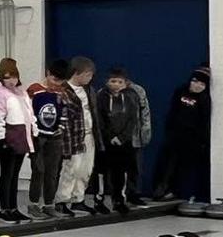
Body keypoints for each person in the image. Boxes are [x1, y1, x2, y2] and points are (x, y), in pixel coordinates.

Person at [93, 68, 146, 216]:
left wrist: (122, 137)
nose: (116, 84)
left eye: (119, 82)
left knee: (121, 172)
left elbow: (133, 119)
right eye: (113, 81)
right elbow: (100, 119)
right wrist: (109, 136)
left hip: (124, 142)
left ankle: (119, 200)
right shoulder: (101, 96)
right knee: (101, 172)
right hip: (105, 142)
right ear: (106, 82)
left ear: (126, 83)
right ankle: (99, 200)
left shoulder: (131, 96)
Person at [153, 67, 213, 200]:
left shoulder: (204, 100)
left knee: (183, 167)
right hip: (174, 135)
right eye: (195, 81)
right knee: (167, 164)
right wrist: (169, 129)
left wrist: (202, 140)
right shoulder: (180, 91)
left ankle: (175, 191)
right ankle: (161, 188)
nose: (197, 86)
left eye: (201, 84)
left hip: (191, 139)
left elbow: (204, 121)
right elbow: (173, 111)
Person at [0, 59, 36, 224]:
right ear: (2, 77)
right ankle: (4, 209)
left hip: (22, 137)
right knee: (6, 174)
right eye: (7, 77)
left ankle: (14, 207)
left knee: (14, 175)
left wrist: (34, 131)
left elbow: (29, 113)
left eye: (14, 77)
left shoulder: (20, 91)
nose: (12, 81)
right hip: (8, 138)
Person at [55, 57, 97, 215]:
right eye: (87, 75)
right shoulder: (64, 91)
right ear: (76, 73)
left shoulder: (89, 90)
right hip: (73, 137)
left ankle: (78, 199)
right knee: (71, 169)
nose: (90, 78)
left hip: (89, 134)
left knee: (85, 169)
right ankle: (62, 200)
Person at [27, 62, 67, 218]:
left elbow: (63, 111)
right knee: (38, 170)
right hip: (38, 136)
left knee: (52, 171)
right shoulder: (34, 90)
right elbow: (28, 111)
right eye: (55, 79)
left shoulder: (61, 92)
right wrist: (32, 133)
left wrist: (61, 128)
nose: (57, 83)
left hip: (55, 136)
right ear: (48, 73)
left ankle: (49, 204)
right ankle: (33, 204)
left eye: (60, 81)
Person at [125, 74, 154, 205]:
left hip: (135, 137)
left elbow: (145, 113)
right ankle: (115, 195)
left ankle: (134, 193)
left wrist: (145, 133)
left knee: (135, 167)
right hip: (114, 138)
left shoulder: (138, 90)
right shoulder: (105, 92)